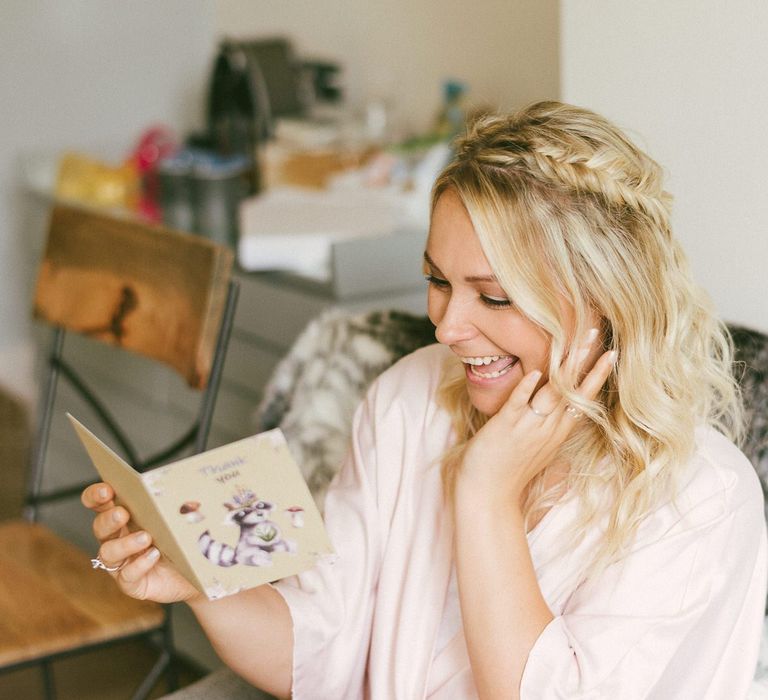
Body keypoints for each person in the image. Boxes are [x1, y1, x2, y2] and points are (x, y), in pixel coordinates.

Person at [82, 101, 766, 699]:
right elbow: (318, 645)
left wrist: (486, 495)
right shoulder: (412, 400)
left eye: (493, 295)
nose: (447, 326)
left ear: (602, 302)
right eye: (437, 281)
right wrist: (200, 582)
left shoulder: (698, 500)